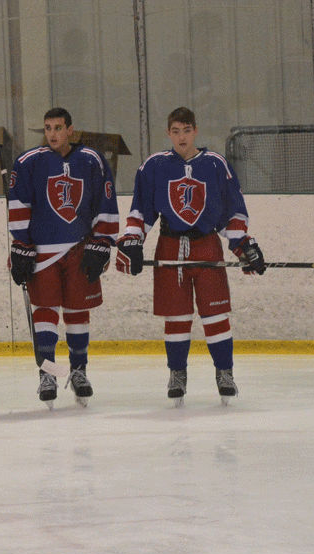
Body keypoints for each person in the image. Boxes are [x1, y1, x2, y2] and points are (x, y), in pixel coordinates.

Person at [115, 106, 266, 407]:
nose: (181, 137)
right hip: (170, 247)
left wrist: (244, 244)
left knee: (216, 315)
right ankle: (177, 374)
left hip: (207, 245)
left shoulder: (215, 164)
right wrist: (132, 241)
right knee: (177, 317)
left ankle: (224, 373)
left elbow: (231, 214)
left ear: (195, 130)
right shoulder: (154, 166)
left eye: (186, 130)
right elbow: (140, 213)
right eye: (175, 131)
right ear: (168, 133)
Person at [7, 107, 119, 409]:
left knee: (77, 310)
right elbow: (19, 206)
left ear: (70, 129)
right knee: (45, 309)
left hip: (79, 248)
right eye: (48, 128)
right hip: (42, 252)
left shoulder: (91, 160)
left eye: (58, 128)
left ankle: (79, 371)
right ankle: (49, 374)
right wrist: (21, 246)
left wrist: (102, 241)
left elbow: (105, 203)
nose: (53, 134)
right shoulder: (29, 162)